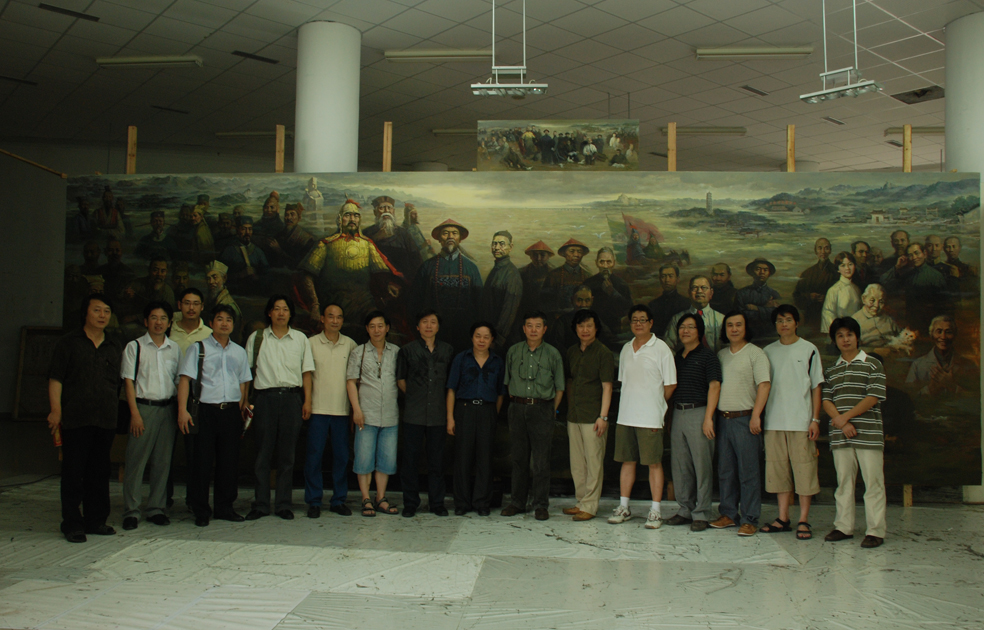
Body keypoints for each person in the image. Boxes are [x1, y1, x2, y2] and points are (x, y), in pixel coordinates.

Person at [48, 294, 123, 543]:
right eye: (97, 310)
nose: (102, 315)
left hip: (105, 418)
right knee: (73, 472)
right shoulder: (69, 343)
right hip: (75, 417)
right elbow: (56, 378)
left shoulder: (114, 345)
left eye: (107, 311)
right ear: (85, 313)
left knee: (99, 472)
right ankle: (72, 523)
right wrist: (56, 410)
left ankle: (96, 520)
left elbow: (119, 383)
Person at [177, 305, 252, 527]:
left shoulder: (239, 351)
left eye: (229, 320)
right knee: (201, 462)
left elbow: (244, 380)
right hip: (205, 411)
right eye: (220, 319)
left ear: (233, 324)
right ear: (211, 323)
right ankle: (200, 509)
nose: (224, 323)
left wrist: (243, 404)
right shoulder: (198, 348)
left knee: (229, 462)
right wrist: (182, 410)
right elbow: (185, 380)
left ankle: (224, 507)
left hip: (231, 412)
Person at [243, 296, 315, 521]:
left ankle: (283, 504)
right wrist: (244, 400)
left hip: (292, 399)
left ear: (290, 314)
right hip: (265, 399)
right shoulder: (257, 338)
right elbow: (246, 373)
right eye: (277, 309)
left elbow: (306, 373)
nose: (281, 313)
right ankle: (261, 504)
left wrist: (307, 401)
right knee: (263, 454)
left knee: (287, 455)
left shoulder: (300, 339)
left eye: (285, 309)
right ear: (269, 313)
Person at [608, 304, 676, 529]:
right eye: (634, 320)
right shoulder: (626, 349)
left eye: (642, 320)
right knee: (627, 461)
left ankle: (655, 511)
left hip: (650, 417)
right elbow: (624, 382)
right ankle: (624, 507)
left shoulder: (662, 348)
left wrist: (654, 404)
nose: (638, 324)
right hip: (626, 416)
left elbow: (670, 385)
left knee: (654, 463)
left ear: (651, 323)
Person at [822, 317, 887, 549]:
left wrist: (845, 418)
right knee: (843, 483)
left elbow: (873, 397)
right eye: (840, 335)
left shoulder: (872, 364)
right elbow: (826, 400)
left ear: (857, 337)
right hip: (841, 436)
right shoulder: (831, 370)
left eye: (849, 334)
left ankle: (875, 531)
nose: (845, 339)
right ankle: (843, 527)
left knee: (873, 483)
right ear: (835, 340)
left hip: (868, 434)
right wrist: (842, 424)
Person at [759, 305, 824, 541]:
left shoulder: (809, 349)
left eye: (788, 320)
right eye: (779, 321)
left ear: (796, 323)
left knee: (805, 471)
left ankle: (804, 519)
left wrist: (815, 419)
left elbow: (816, 386)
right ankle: (783, 518)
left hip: (801, 422)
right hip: (774, 421)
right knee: (778, 472)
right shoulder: (767, 351)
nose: (784, 324)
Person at [299, 200, 403, 342]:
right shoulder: (326, 244)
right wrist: (315, 306)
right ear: (340, 219)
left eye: (356, 215)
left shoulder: (367, 244)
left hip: (364, 305)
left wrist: (387, 285)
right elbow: (307, 276)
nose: (352, 219)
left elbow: (380, 274)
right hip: (334, 304)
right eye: (348, 215)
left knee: (384, 333)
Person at [120, 301, 181, 531]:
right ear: (146, 321)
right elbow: (128, 382)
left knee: (162, 462)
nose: (158, 322)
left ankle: (156, 508)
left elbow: (179, 381)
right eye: (154, 317)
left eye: (163, 318)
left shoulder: (174, 348)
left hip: (168, 409)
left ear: (169, 322)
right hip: (143, 409)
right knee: (136, 462)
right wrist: (134, 413)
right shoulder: (134, 347)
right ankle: (131, 511)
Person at [710, 311, 771, 537]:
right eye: (730, 325)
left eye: (738, 325)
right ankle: (728, 514)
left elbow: (764, 385)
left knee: (748, 472)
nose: (734, 329)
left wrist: (756, 415)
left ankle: (749, 518)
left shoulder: (756, 353)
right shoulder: (721, 355)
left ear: (746, 328)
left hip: (746, 419)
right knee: (725, 471)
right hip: (723, 420)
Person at [501, 311, 565, 520]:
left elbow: (560, 387)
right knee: (518, 458)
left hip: (542, 409)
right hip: (517, 408)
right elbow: (508, 382)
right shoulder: (513, 351)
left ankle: (540, 505)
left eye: (538, 326)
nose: (533, 330)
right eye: (529, 325)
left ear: (544, 329)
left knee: (540, 461)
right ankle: (517, 502)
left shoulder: (553, 354)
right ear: (523, 328)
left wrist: (550, 410)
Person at [665, 313, 721, 532]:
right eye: (682, 327)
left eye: (690, 327)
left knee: (701, 465)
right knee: (680, 465)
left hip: (700, 413)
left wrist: (708, 418)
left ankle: (702, 512)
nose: (685, 331)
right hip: (679, 413)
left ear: (699, 331)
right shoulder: (677, 358)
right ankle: (684, 510)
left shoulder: (708, 356)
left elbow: (714, 386)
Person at [397, 310, 455, 517]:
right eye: (424, 322)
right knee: (410, 461)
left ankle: (437, 503)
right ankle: (410, 503)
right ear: (417, 327)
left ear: (438, 327)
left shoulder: (448, 350)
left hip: (438, 414)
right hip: (414, 413)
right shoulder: (407, 350)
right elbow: (401, 380)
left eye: (433, 322)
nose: (429, 326)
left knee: (436, 462)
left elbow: (451, 383)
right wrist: (416, 395)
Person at [446, 321, 506, 516]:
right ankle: (462, 503)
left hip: (487, 410)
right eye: (478, 336)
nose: (482, 340)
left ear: (492, 339)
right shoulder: (461, 359)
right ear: (472, 338)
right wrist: (450, 418)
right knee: (462, 457)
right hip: (465, 409)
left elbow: (500, 393)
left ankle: (482, 502)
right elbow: (451, 389)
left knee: (485, 458)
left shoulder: (497, 362)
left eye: (486, 337)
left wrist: (493, 414)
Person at [305, 304, 358, 518]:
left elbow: (355, 380)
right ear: (322, 319)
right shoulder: (310, 343)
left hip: (342, 411)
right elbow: (306, 375)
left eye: (339, 317)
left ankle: (338, 500)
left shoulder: (350, 345)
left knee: (342, 457)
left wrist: (354, 409)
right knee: (314, 457)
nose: (335, 321)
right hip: (317, 409)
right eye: (330, 317)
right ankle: (314, 501)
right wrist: (307, 402)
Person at [347, 311, 401, 517]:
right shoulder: (358, 352)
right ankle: (365, 498)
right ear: (367, 329)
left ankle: (381, 497)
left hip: (390, 415)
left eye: (380, 326)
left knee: (386, 460)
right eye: (372, 326)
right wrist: (357, 410)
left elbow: (401, 381)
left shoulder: (396, 352)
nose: (376, 330)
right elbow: (351, 382)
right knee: (363, 459)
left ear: (387, 328)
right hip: (366, 415)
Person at [562, 309, 614, 522]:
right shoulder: (572, 352)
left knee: (593, 463)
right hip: (574, 415)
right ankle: (581, 501)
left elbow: (607, 387)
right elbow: (569, 381)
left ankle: (590, 506)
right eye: (581, 326)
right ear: (575, 328)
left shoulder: (603, 353)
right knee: (577, 463)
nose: (585, 330)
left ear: (596, 328)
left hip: (594, 416)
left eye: (589, 326)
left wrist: (603, 416)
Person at [411, 219, 483, 351]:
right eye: (445, 233)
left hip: (464, 332)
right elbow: (416, 301)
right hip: (434, 334)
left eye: (454, 233)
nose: (450, 237)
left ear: (460, 238)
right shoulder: (427, 267)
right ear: (439, 239)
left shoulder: (471, 268)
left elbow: (479, 304)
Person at [879, 242, 947, 330]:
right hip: (911, 322)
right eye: (910, 255)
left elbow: (943, 304)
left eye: (917, 253)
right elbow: (884, 282)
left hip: (931, 323)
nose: (914, 257)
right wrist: (897, 267)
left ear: (924, 253)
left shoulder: (936, 276)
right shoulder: (908, 275)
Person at [906, 315, 977, 396]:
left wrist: (952, 386)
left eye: (948, 332)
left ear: (954, 335)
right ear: (932, 334)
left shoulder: (968, 364)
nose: (943, 337)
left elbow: (976, 397)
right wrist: (930, 389)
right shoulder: (918, 365)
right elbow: (909, 396)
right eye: (939, 332)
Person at [481, 231, 523, 352]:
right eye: (494, 244)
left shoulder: (512, 275)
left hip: (502, 342)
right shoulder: (496, 269)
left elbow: (509, 311)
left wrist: (497, 340)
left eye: (501, 244)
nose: (497, 247)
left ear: (511, 247)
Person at [363, 195, 423, 280]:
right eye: (382, 208)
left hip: (403, 281)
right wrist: (377, 237)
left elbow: (416, 259)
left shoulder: (404, 233)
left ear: (393, 211)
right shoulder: (366, 233)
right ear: (375, 212)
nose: (386, 211)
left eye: (389, 208)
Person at [664, 275, 726, 353]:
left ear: (711, 293)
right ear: (689, 292)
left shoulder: (721, 319)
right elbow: (667, 347)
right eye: (694, 288)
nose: (699, 291)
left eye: (703, 288)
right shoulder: (677, 319)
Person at [584, 246, 632, 334]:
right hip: (592, 328)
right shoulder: (588, 284)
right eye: (601, 262)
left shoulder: (622, 284)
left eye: (608, 262)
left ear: (614, 263)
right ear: (596, 263)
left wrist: (613, 293)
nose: (605, 266)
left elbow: (628, 308)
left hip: (616, 329)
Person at [793, 237, 837, 329]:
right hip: (811, 318)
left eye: (826, 248)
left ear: (830, 251)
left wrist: (827, 298)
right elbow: (796, 296)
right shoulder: (807, 273)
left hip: (831, 317)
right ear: (815, 251)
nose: (823, 252)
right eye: (820, 248)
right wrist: (809, 296)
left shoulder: (836, 272)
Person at [219, 217, 270, 294]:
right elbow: (219, 275)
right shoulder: (229, 250)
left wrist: (257, 277)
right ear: (237, 230)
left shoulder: (258, 252)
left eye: (250, 229)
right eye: (243, 229)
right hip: (234, 292)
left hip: (254, 293)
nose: (247, 233)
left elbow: (267, 274)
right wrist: (240, 275)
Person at [541, 238, 590, 313]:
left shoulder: (588, 276)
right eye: (572, 251)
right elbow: (545, 301)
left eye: (579, 252)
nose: (576, 255)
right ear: (564, 253)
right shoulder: (553, 275)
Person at [736, 258, 780, 338]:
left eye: (765, 270)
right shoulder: (742, 293)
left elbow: (777, 315)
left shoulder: (774, 294)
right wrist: (766, 309)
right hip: (747, 335)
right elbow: (740, 315)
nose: (762, 272)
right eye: (758, 269)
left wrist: (757, 308)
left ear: (769, 273)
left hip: (770, 335)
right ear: (752, 272)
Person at [851, 284, 900, 354]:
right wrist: (874, 350)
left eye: (881, 302)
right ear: (864, 299)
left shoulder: (889, 320)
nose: (876, 305)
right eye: (872, 300)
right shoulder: (854, 321)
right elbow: (851, 348)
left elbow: (900, 337)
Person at [821, 252, 862, 333]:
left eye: (850, 264)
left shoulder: (857, 289)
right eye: (843, 265)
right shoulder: (834, 290)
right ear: (838, 269)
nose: (847, 268)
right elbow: (828, 314)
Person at [518, 241, 555, 330]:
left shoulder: (554, 274)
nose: (538, 258)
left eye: (542, 255)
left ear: (548, 257)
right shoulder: (521, 273)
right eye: (535, 255)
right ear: (530, 256)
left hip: (547, 315)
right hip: (526, 313)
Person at [203, 260, 243, 343]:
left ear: (224, 278)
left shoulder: (230, 305)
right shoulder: (210, 301)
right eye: (208, 279)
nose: (211, 282)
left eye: (214, 277)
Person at [647, 264, 690, 336]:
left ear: (677, 279)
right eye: (663, 276)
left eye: (670, 276)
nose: (667, 280)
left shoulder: (687, 303)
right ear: (660, 279)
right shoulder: (653, 305)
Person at [269, 203, 316, 268]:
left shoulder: (307, 239)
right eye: (286, 215)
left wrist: (279, 251)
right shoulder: (279, 235)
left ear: (299, 218)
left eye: (292, 214)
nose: (289, 218)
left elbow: (298, 263)